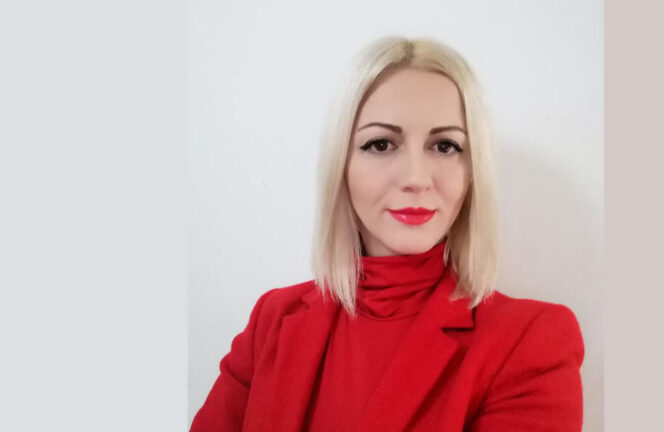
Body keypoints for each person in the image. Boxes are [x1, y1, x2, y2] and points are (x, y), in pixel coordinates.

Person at [190, 36, 584, 432]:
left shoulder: (532, 340)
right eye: (380, 144)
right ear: (341, 166)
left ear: (473, 171)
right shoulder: (272, 321)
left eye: (445, 146)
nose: (416, 178)